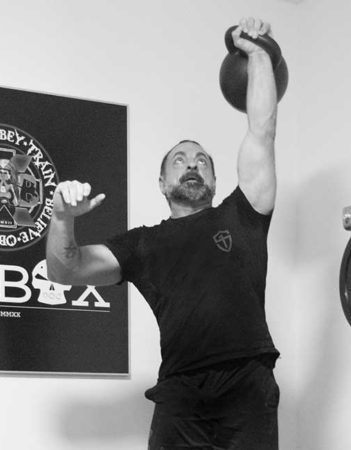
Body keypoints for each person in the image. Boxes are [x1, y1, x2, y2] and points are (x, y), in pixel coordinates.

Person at [46, 17, 280, 450]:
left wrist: (258, 50)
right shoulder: (141, 244)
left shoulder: (242, 214)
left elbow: (261, 131)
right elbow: (66, 270)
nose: (192, 164)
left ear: (213, 179)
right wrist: (62, 217)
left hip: (246, 385)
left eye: (201, 161)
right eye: (179, 160)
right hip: (179, 392)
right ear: (161, 183)